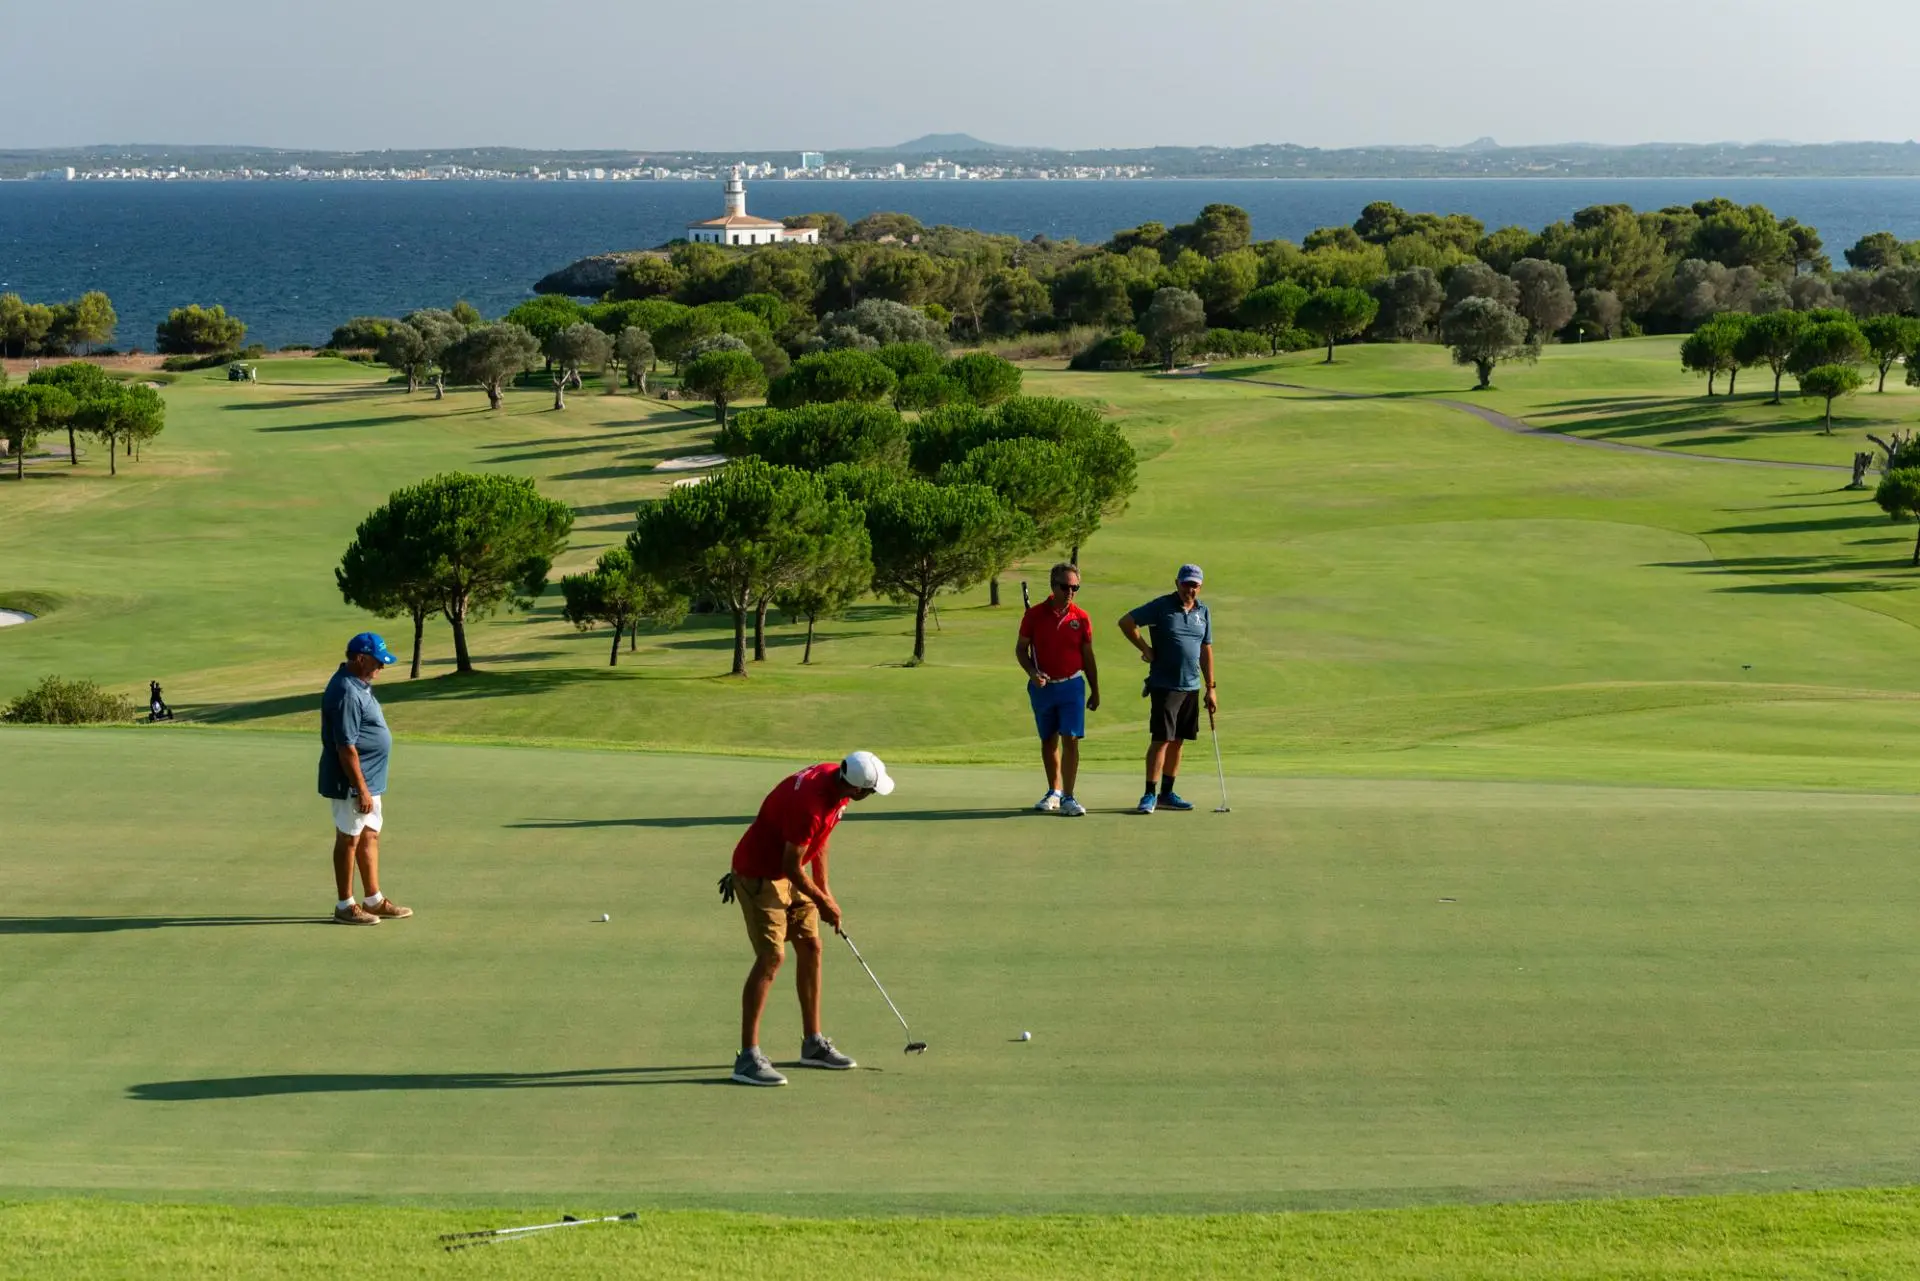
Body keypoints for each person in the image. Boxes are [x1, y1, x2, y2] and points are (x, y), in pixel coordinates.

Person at [720, 751, 895, 1086]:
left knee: (811, 946)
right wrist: (822, 901)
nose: (870, 796)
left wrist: (824, 892)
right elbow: (790, 864)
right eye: (871, 792)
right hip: (759, 874)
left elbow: (819, 841)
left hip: (791, 870)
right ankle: (747, 1058)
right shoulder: (810, 807)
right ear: (857, 789)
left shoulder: (837, 783)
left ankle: (813, 1044)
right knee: (772, 957)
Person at [318, 633, 412, 926]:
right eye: (377, 661)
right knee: (349, 838)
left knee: (369, 834)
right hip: (352, 781)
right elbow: (345, 747)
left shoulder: (359, 683)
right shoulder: (346, 691)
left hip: (370, 778)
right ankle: (345, 905)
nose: (381, 667)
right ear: (360, 658)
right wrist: (360, 789)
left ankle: (374, 900)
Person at [1117, 564, 1217, 814]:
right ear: (1177, 583)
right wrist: (1146, 650)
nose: (1189, 589)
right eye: (1186, 584)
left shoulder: (1203, 611)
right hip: (1165, 685)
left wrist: (1210, 687)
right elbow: (1127, 622)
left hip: (1191, 686)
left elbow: (1205, 649)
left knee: (1178, 741)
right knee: (1161, 739)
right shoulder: (1161, 606)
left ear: (1200, 587)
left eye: (1194, 585)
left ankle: (1167, 793)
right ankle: (1149, 794)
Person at [1015, 562, 1100, 816]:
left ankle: (1069, 797)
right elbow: (1021, 649)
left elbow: (1088, 656)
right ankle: (1054, 791)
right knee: (1048, 739)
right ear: (1053, 586)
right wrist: (1032, 673)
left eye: (1075, 588)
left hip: (1072, 685)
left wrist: (1095, 690)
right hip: (1043, 687)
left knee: (1070, 739)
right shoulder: (1034, 616)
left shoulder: (1081, 617)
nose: (1070, 592)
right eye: (1065, 587)